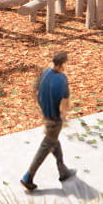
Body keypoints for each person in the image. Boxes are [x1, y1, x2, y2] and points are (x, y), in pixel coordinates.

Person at [20, 52, 76, 191]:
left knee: (53, 141)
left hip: (45, 114)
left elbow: (36, 92)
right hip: (54, 119)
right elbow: (65, 102)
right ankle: (28, 176)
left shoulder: (45, 73)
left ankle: (63, 171)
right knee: (47, 145)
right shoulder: (62, 79)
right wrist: (64, 116)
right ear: (62, 64)